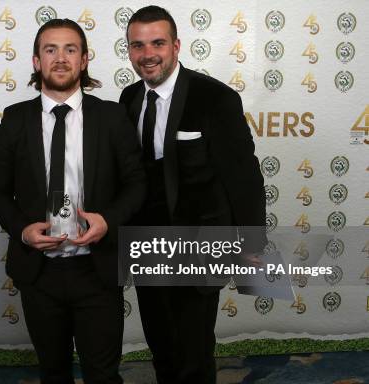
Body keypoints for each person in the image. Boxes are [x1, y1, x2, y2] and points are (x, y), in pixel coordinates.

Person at [0, 18, 145, 384]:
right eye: (50, 49)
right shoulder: (14, 119)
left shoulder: (111, 117)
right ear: (35, 61)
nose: (60, 58)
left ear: (85, 59)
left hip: (98, 270)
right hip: (39, 273)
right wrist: (23, 231)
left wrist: (108, 220)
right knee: (52, 373)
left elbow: (137, 184)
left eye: (70, 49)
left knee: (103, 375)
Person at [119, 6, 266, 384]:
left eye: (157, 43)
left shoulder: (215, 98)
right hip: (147, 245)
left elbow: (244, 177)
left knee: (193, 351)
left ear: (176, 45)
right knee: (161, 346)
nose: (147, 53)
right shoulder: (128, 98)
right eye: (137, 45)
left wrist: (253, 245)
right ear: (129, 50)